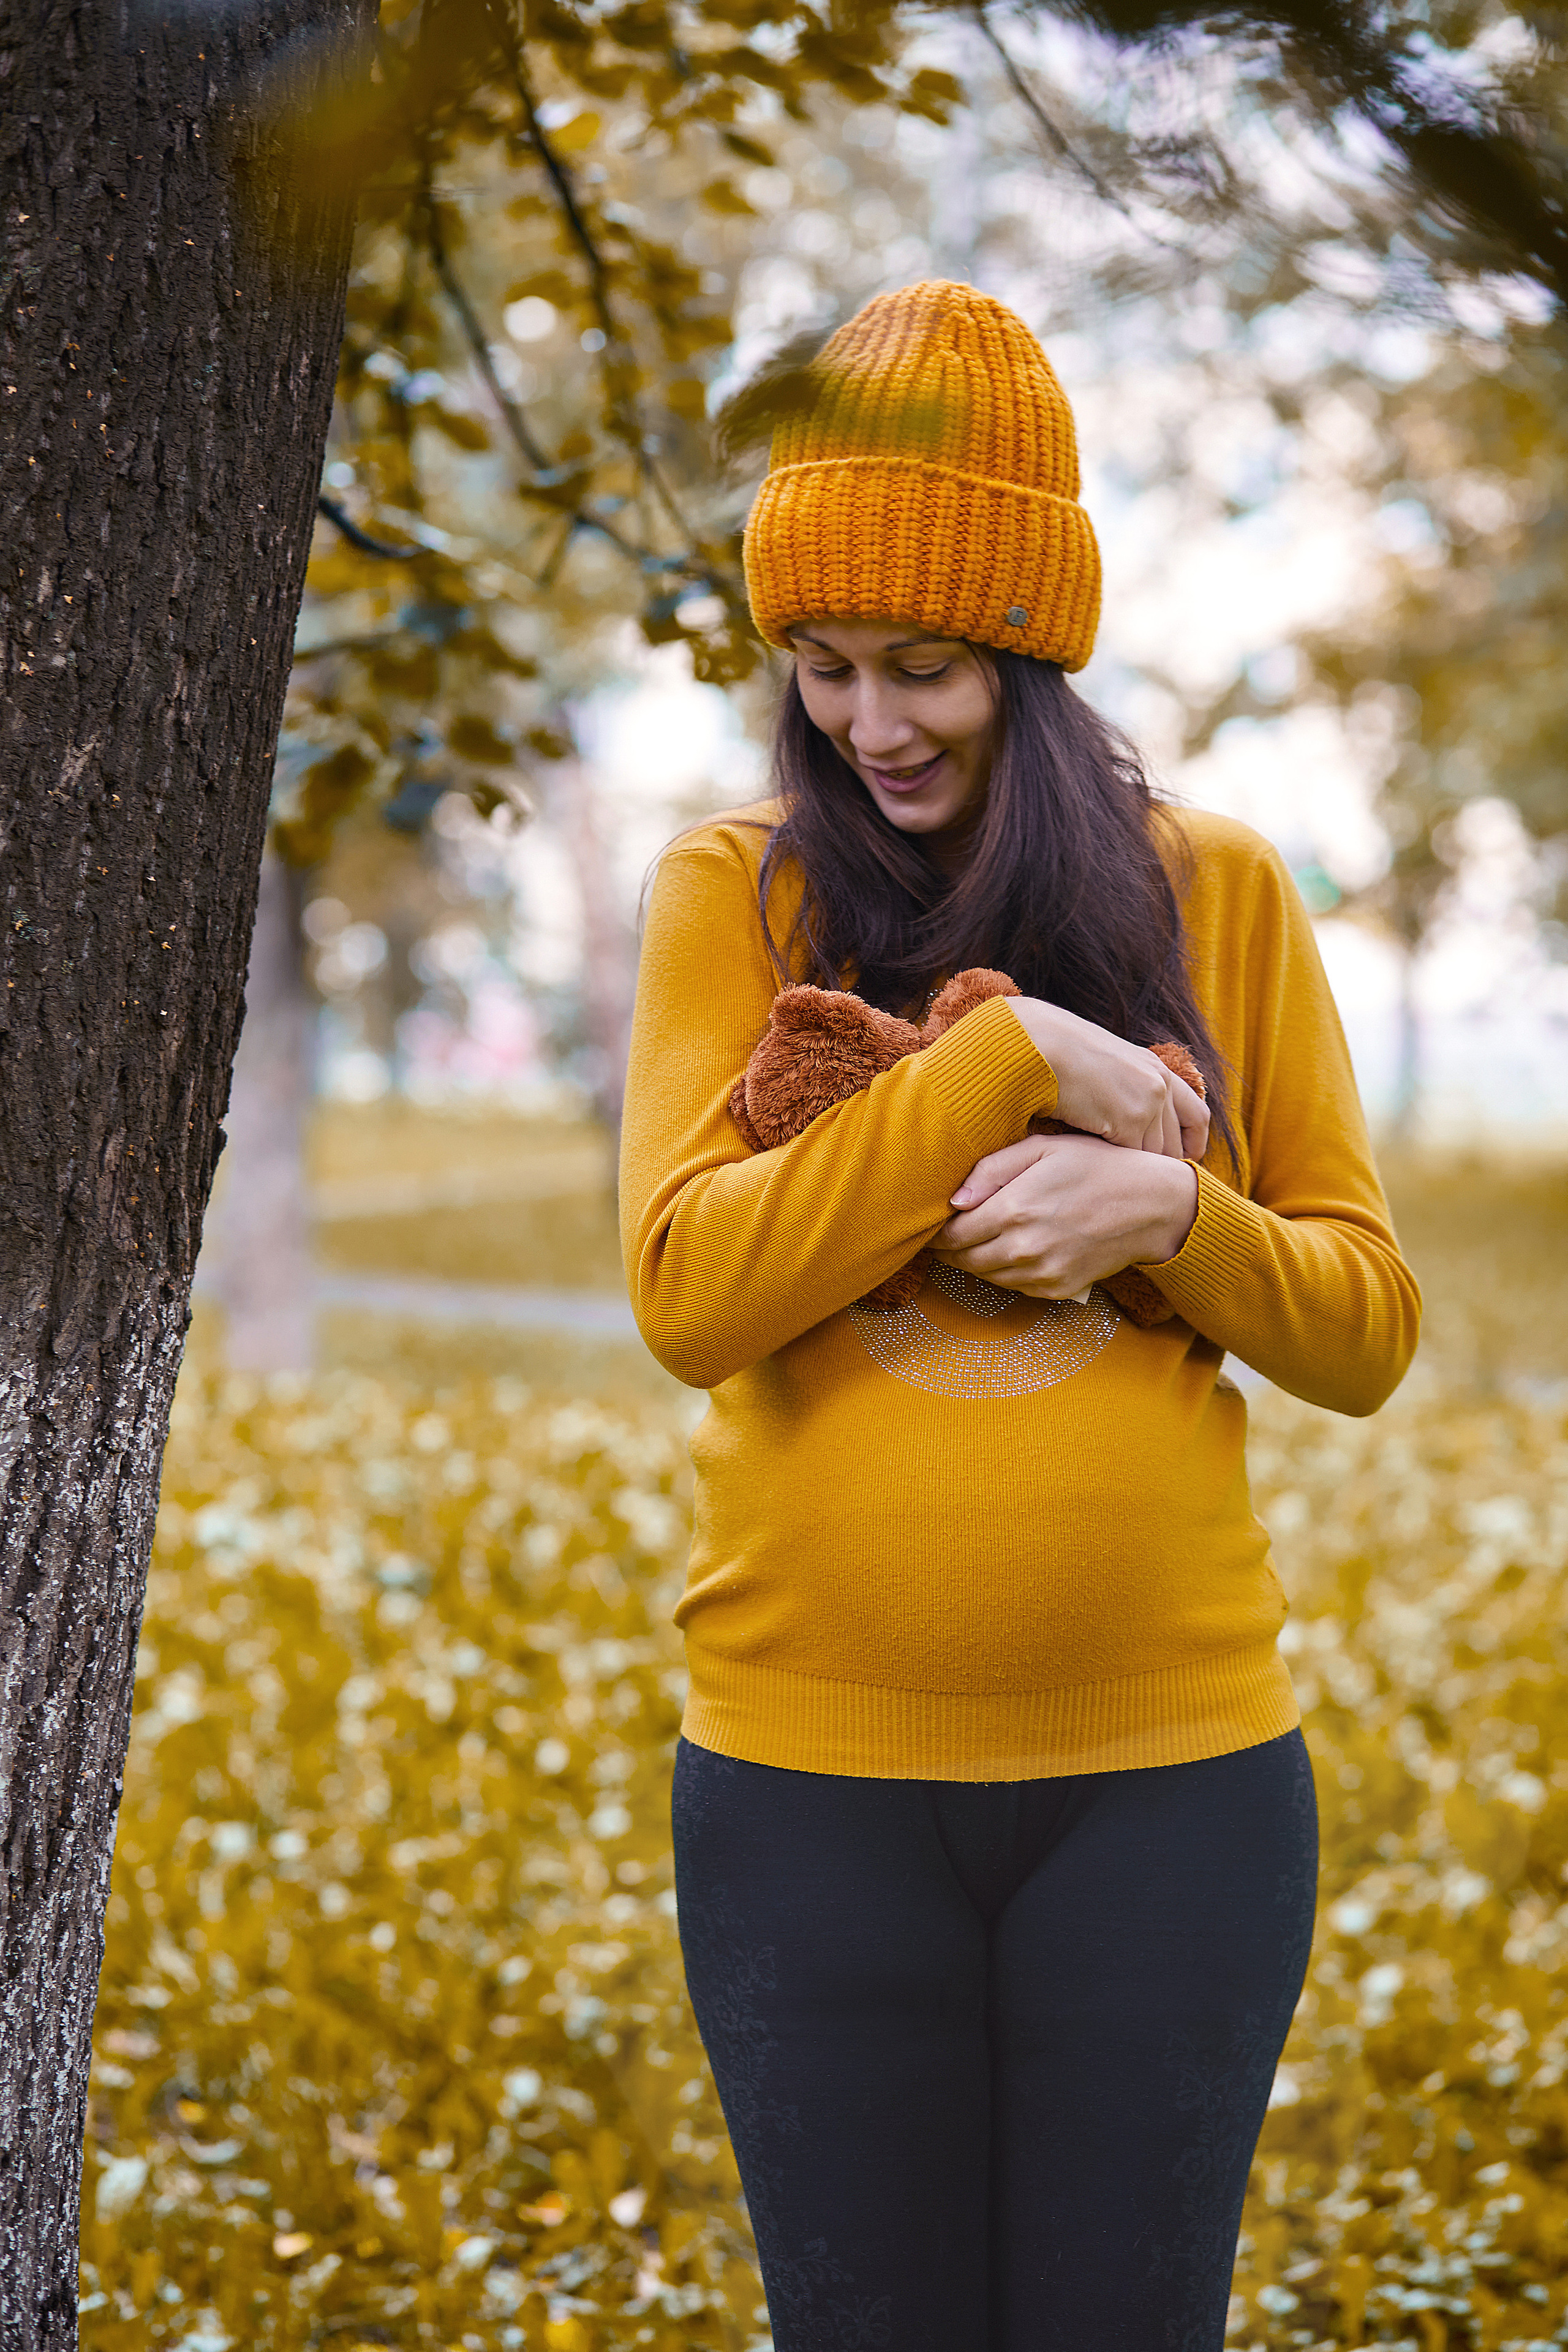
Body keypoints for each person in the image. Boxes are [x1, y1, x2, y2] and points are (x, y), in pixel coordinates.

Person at [618, 281, 1420, 2352]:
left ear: (1032, 653)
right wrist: (1006, 1060)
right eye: (822, 670)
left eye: (924, 669)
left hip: (1172, 1793)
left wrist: (1174, 1207)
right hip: (806, 1794)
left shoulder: (1219, 890)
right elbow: (694, 1295)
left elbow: (1361, 1326)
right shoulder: (736, 894)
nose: (869, 724)